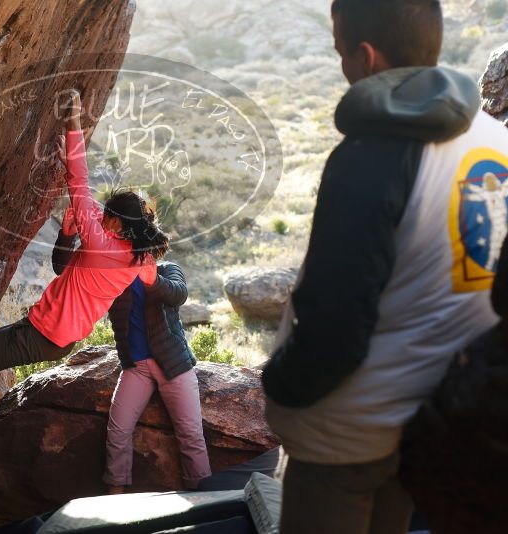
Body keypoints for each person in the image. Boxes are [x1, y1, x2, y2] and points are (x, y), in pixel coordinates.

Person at [261, 1, 508, 533]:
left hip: (350, 436)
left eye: (341, 52)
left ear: (367, 56)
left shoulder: (370, 156)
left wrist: (278, 385)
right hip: (442, 414)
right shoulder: (498, 140)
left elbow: (336, 327)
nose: (342, 65)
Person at [0, 91, 167, 458]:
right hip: (55, 334)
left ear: (119, 225)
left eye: (108, 215)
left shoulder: (101, 242)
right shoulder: (137, 258)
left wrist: (73, 122)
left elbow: (79, 181)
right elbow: (66, 263)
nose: (101, 216)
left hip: (44, 333)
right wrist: (68, 231)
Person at [52, 200, 211, 493]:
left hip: (173, 365)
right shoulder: (113, 271)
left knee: (191, 435)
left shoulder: (167, 268)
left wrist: (152, 280)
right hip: (136, 367)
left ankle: (207, 506)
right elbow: (64, 269)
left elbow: (179, 294)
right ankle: (117, 502)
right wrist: (67, 234)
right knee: (117, 430)